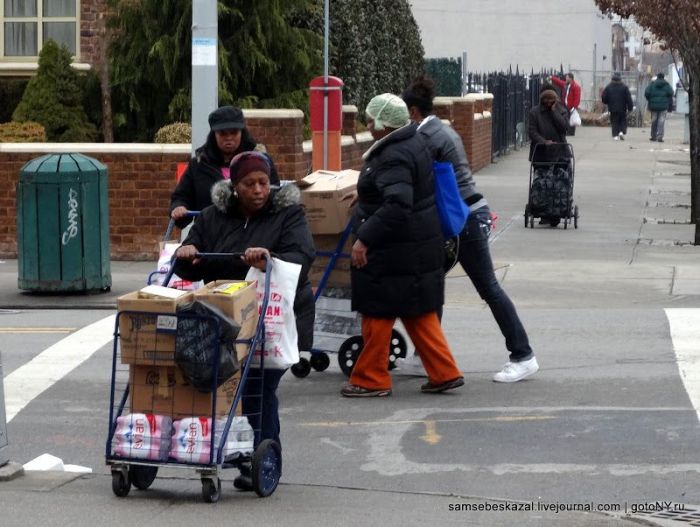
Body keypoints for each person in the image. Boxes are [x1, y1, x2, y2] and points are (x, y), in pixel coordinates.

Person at [172, 151, 315, 489]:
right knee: (227, 388)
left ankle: (263, 459)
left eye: (263, 183)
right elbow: (194, 254)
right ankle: (244, 450)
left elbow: (302, 255)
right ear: (234, 187)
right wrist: (188, 254)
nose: (258, 190)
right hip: (225, 320)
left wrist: (268, 259)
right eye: (249, 184)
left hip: (275, 317)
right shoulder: (211, 216)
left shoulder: (289, 214)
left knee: (257, 388)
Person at [399, 76, 538, 383]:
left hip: (461, 221)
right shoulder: (442, 130)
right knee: (432, 284)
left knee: (486, 287)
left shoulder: (426, 138)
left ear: (412, 112)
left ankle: (523, 355)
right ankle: (426, 355)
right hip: (464, 216)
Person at [340, 93, 464, 398]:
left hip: (393, 249)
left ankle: (371, 377)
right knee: (418, 311)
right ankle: (444, 372)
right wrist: (366, 195)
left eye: (371, 119)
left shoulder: (392, 153)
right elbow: (403, 188)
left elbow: (397, 204)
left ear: (384, 124)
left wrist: (364, 238)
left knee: (378, 311)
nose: (368, 125)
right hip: (416, 246)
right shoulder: (413, 142)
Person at [169, 105, 279, 229]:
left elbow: (274, 195)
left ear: (242, 133)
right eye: (222, 133)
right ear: (214, 135)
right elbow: (182, 196)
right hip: (210, 233)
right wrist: (179, 207)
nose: (229, 138)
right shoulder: (198, 164)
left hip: (252, 231)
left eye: (234, 132)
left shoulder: (261, 161)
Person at [601, 72, 633, 141]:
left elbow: (604, 97)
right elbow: (628, 98)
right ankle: (621, 132)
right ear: (620, 78)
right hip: (622, 108)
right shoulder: (624, 87)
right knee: (622, 120)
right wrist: (630, 107)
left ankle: (615, 135)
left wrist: (606, 102)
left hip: (612, 108)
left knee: (614, 121)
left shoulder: (608, 87)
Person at [644, 72, 674, 142]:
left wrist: (650, 100)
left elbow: (647, 93)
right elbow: (671, 93)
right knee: (661, 121)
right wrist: (667, 99)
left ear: (657, 77)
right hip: (663, 106)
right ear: (663, 77)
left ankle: (653, 136)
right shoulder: (667, 85)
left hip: (653, 106)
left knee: (654, 120)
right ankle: (660, 136)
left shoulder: (652, 84)